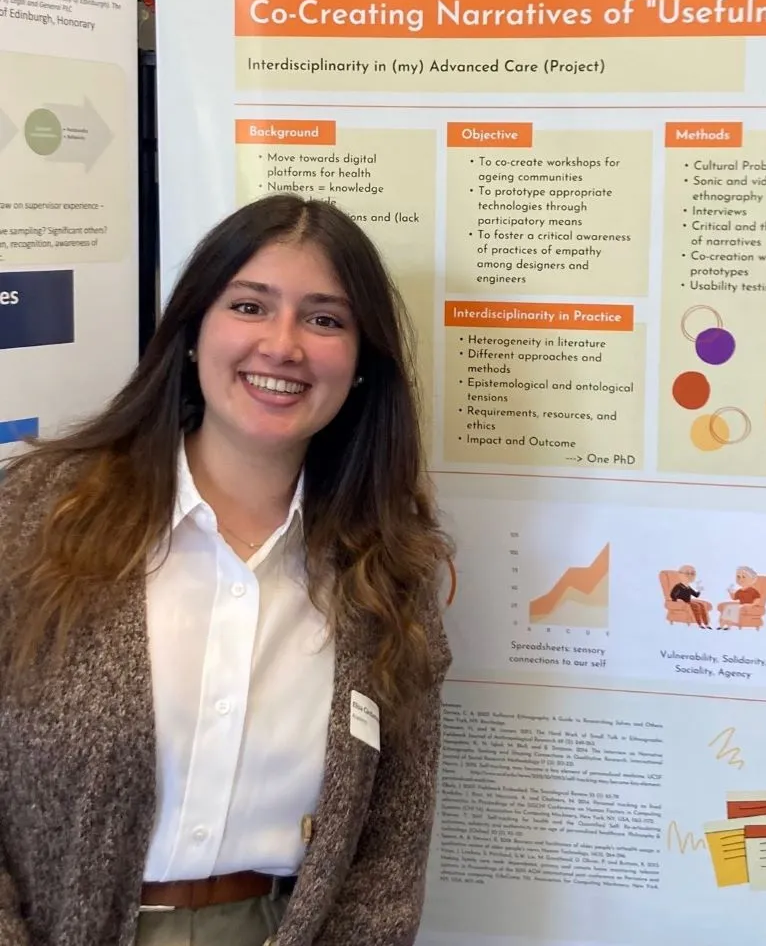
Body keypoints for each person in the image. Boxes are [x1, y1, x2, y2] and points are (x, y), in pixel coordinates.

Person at [0, 193, 453, 946]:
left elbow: (389, 855)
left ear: (362, 364)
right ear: (191, 331)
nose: (283, 346)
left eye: (325, 318)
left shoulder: (386, 572)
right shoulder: (38, 518)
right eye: (250, 306)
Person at [717, 566, 762, 630]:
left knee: (732, 609)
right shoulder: (739, 591)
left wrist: (752, 605)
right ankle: (723, 624)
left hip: (747, 607)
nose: (740, 579)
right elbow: (734, 599)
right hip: (739, 606)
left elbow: (757, 599)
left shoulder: (753, 591)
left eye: (744, 577)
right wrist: (730, 593)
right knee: (728, 608)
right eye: (738, 577)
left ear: (752, 579)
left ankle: (727, 625)